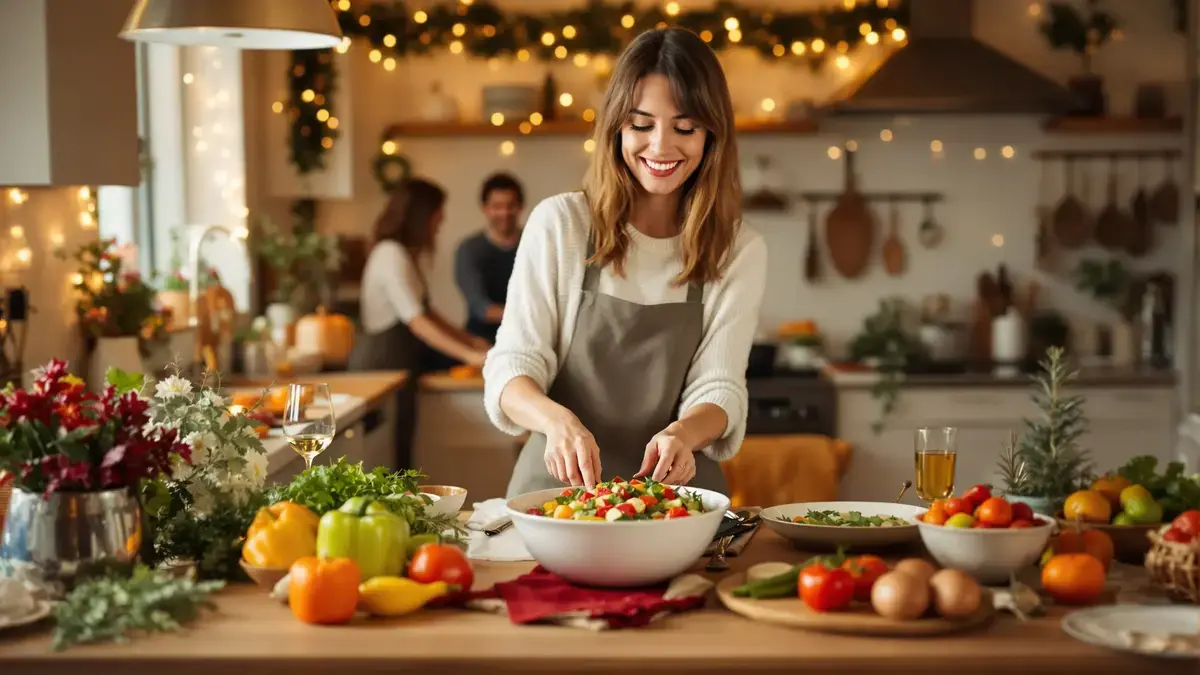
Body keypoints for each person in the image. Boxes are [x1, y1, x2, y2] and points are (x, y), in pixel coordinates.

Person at [482, 27, 768, 498]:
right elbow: (513, 364)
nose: (660, 147)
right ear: (616, 126)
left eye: (685, 127)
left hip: (675, 501)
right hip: (555, 496)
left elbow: (720, 387)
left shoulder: (737, 247)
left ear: (712, 134)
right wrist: (556, 422)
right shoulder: (561, 225)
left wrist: (684, 434)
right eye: (641, 124)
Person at [349, 177, 490, 469]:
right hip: (382, 367)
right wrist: (471, 356)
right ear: (423, 215)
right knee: (388, 462)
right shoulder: (390, 254)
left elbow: (428, 312)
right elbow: (418, 322)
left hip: (400, 366)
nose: (441, 222)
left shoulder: (400, 255)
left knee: (402, 454)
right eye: (439, 214)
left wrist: (469, 340)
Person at [454, 173, 524, 344]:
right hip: (481, 341)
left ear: (520, 207)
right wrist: (527, 315)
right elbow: (480, 306)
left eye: (511, 206)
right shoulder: (469, 249)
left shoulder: (534, 243)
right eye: (497, 206)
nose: (505, 213)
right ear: (485, 208)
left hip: (526, 338)